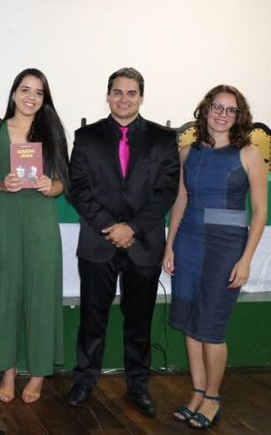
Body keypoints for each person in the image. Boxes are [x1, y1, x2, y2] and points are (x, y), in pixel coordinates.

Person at [65, 67, 179, 417]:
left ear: (141, 97)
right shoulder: (86, 136)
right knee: (92, 317)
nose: (124, 98)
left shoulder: (163, 138)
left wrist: (132, 228)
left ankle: (138, 385)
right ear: (108, 96)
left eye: (131, 93)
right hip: (98, 241)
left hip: (143, 243)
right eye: (117, 92)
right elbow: (78, 187)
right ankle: (85, 380)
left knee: (139, 320)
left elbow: (166, 191)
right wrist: (110, 226)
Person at [163, 85, 267, 429]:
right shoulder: (187, 152)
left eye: (230, 110)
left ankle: (213, 397)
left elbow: (259, 212)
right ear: (205, 110)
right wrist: (169, 245)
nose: (222, 114)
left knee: (211, 325)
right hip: (189, 242)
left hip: (227, 247)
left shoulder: (249, 154)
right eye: (217, 107)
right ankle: (197, 391)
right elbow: (180, 200)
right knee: (190, 321)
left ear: (239, 116)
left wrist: (246, 259)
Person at [0, 68, 68, 404]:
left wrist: (51, 186)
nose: (31, 97)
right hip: (8, 222)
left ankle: (39, 373)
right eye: (25, 90)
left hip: (42, 223)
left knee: (42, 294)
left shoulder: (52, 131)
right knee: (6, 294)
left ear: (45, 98)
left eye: (38, 92)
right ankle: (8, 370)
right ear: (14, 92)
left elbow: (63, 182)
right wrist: (2, 184)